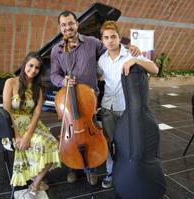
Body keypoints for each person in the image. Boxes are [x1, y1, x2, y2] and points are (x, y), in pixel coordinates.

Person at [50, 10, 141, 185]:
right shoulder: (56, 50)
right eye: (63, 24)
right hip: (69, 100)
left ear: (77, 24)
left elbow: (112, 47)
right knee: (70, 135)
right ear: (60, 27)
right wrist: (63, 80)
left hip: (88, 100)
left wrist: (130, 47)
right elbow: (54, 74)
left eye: (70, 23)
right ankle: (73, 166)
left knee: (90, 135)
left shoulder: (92, 43)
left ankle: (90, 168)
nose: (67, 27)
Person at [98, 21, 158, 188]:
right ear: (102, 40)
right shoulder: (102, 60)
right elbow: (96, 75)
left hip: (127, 108)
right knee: (109, 142)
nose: (110, 40)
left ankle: (128, 172)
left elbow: (154, 69)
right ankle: (111, 173)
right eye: (106, 37)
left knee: (128, 142)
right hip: (108, 107)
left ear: (119, 38)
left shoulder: (131, 53)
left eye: (113, 37)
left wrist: (137, 62)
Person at [3, 52, 62, 198]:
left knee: (54, 145)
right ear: (24, 65)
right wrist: (18, 136)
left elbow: (36, 114)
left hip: (32, 125)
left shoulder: (40, 87)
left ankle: (35, 183)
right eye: (31, 65)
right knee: (38, 145)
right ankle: (35, 179)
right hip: (12, 126)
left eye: (37, 67)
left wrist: (28, 136)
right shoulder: (11, 82)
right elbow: (7, 111)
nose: (33, 70)